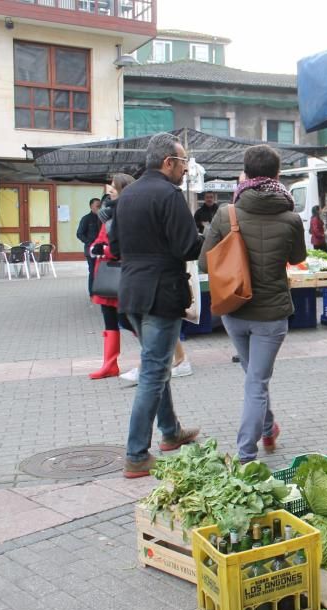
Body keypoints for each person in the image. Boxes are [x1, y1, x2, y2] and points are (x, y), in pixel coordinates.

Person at [199, 145, 306, 462]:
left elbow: (205, 263)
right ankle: (249, 451)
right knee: (256, 380)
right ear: (278, 175)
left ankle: (264, 432)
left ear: (244, 174)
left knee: (253, 377)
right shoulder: (291, 217)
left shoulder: (225, 213)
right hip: (271, 316)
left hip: (234, 309)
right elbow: (298, 258)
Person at [115, 133, 202, 478]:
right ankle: (136, 454)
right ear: (168, 162)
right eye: (182, 163)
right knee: (153, 372)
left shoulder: (129, 193)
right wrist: (206, 238)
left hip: (131, 292)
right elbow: (187, 248)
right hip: (161, 293)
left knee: (157, 364)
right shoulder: (170, 195)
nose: (184, 170)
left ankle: (170, 432)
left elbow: (117, 245)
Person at [89, 173, 136, 380]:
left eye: (113, 188)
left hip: (123, 275)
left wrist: (105, 250)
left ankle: (158, 352)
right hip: (107, 277)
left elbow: (126, 246)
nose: (109, 190)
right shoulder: (106, 214)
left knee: (128, 320)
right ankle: (109, 365)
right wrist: (95, 248)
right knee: (109, 321)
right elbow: (98, 241)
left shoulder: (130, 213)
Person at [76, 197, 102, 296]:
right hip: (90, 250)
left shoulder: (103, 218)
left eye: (100, 205)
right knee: (93, 271)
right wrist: (90, 242)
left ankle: (101, 291)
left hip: (102, 250)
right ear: (91, 207)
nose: (100, 208)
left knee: (101, 271)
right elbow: (79, 234)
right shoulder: (86, 219)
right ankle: (92, 293)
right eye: (97, 206)